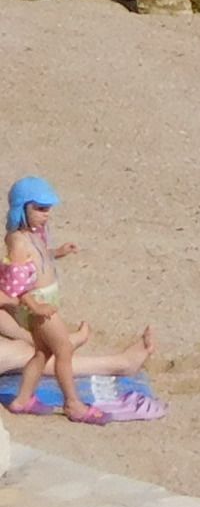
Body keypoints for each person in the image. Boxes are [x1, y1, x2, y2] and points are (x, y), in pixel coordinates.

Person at [2, 177, 156, 422]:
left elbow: (29, 269)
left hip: (37, 305)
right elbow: (16, 286)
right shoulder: (19, 240)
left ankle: (23, 397)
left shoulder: (29, 236)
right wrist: (32, 305)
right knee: (53, 350)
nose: (46, 215)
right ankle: (75, 402)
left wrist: (57, 253)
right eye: (41, 209)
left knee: (40, 352)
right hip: (38, 306)